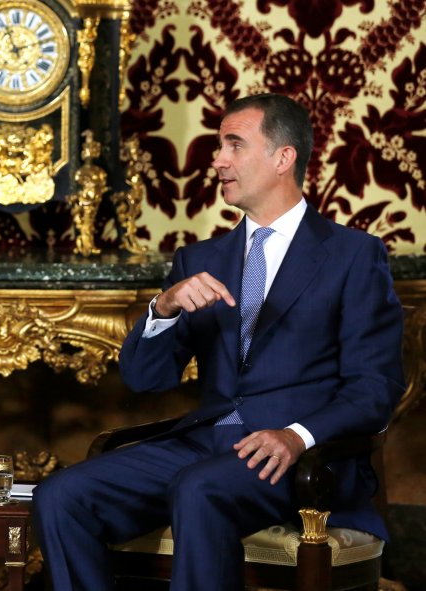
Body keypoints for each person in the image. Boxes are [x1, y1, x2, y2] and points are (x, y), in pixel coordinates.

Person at [32, 93, 405, 590]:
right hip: (203, 445)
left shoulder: (353, 255)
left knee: (199, 488)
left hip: (300, 459)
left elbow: (374, 388)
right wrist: (163, 308)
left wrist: (297, 436)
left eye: (234, 145)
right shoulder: (198, 260)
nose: (217, 160)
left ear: (283, 157)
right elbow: (146, 378)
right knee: (60, 494)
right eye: (217, 145)